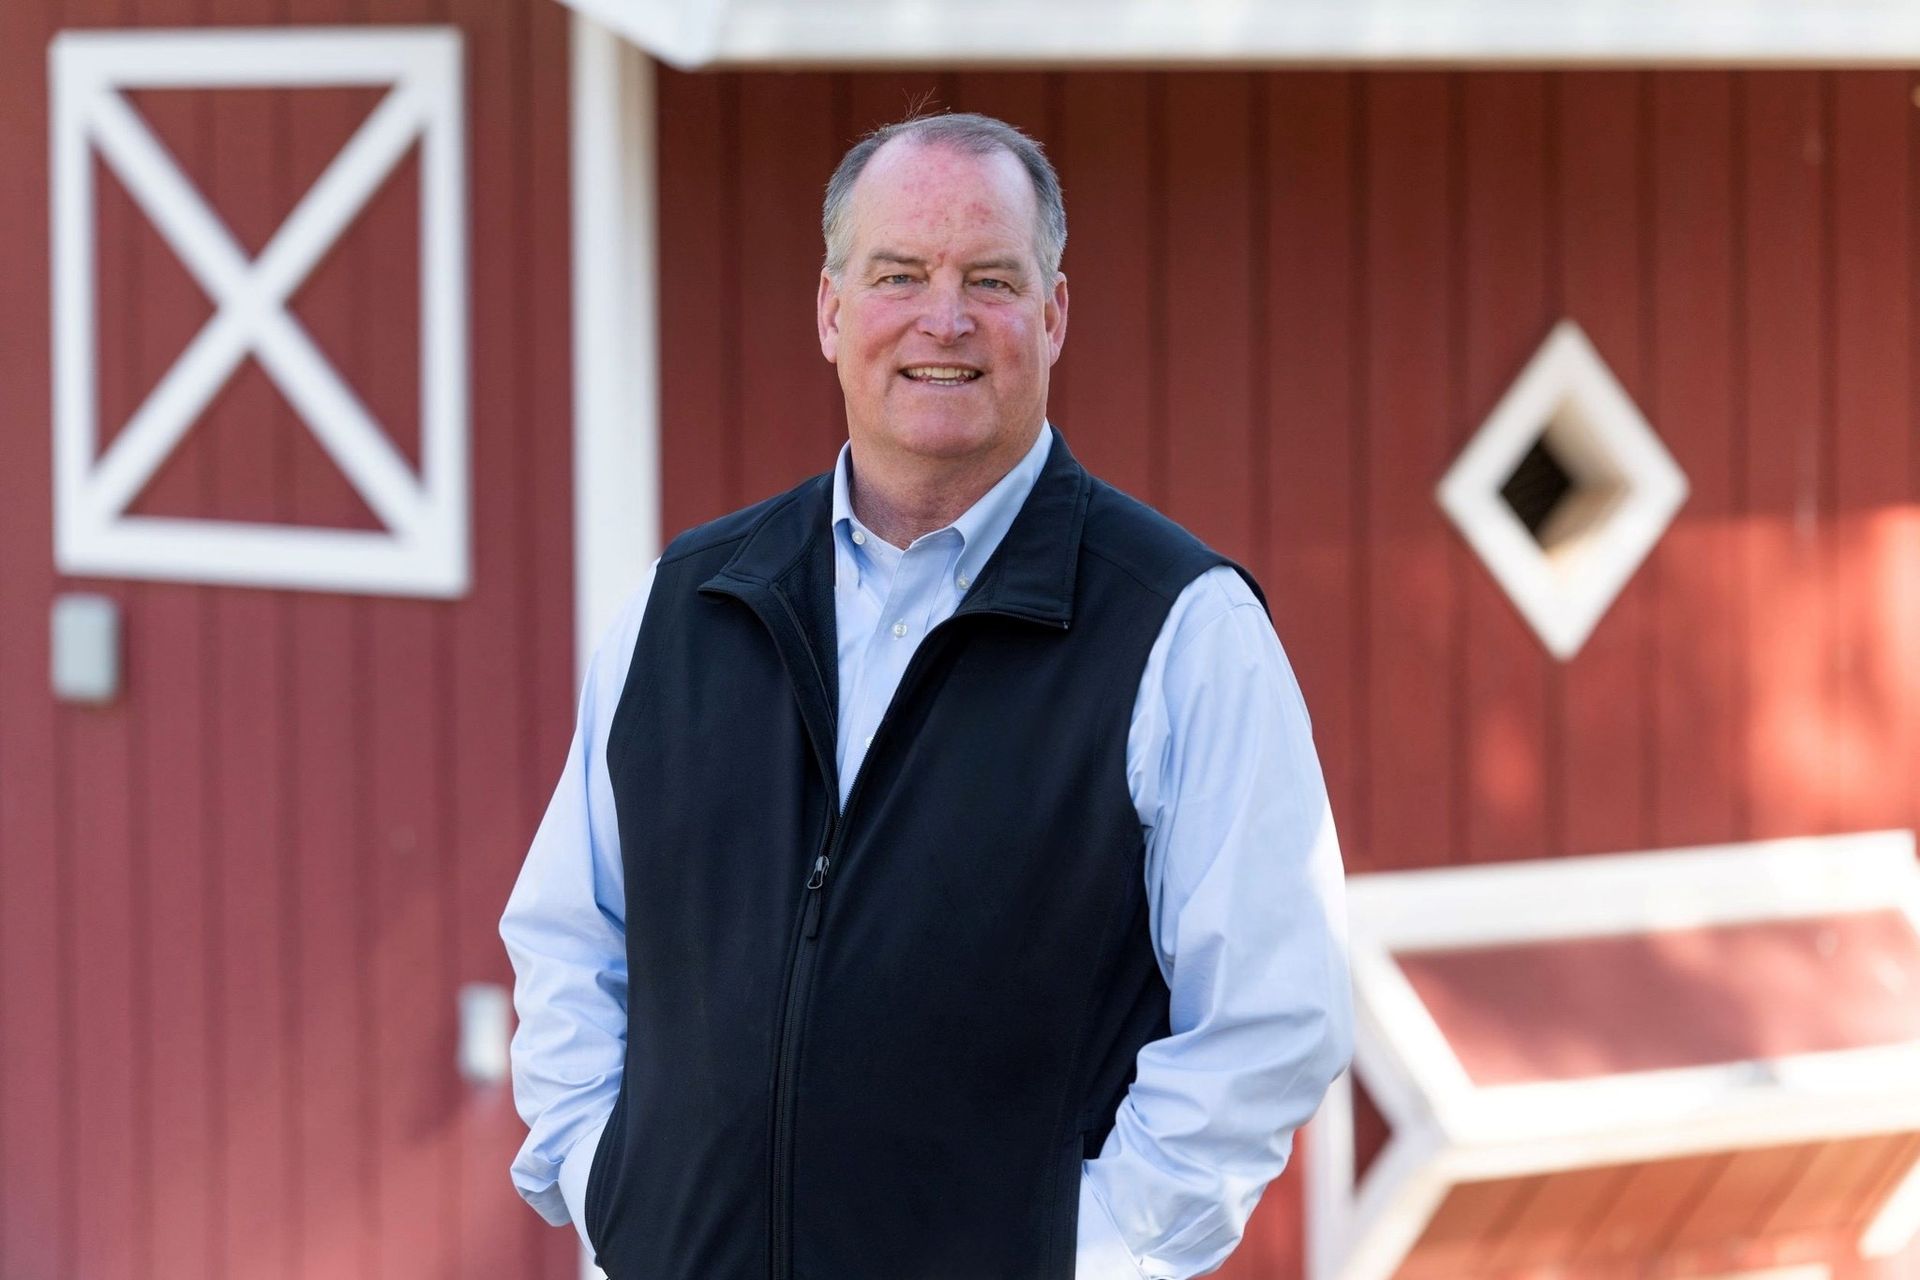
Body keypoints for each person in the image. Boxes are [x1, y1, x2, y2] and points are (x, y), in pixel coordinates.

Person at [499, 110, 1353, 1280]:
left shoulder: (1184, 630)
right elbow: (567, 935)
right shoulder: (684, 603)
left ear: (1053, 315)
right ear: (831, 310)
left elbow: (1271, 1017)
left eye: (991, 279)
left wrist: (1075, 1258)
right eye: (898, 273)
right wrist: (608, 1184)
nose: (942, 319)